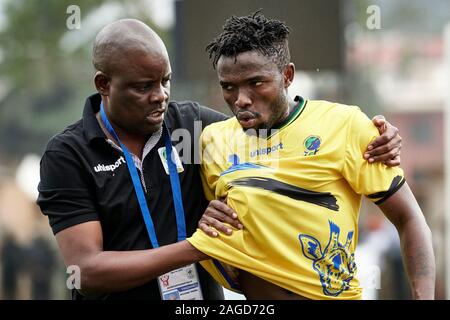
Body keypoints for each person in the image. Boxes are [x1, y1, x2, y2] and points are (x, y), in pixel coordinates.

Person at [36, 18, 402, 300]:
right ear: (103, 84)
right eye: (143, 87)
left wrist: (378, 137)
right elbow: (87, 271)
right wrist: (196, 246)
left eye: (165, 81)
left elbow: (280, 132)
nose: (160, 96)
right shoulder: (69, 154)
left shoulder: (195, 127)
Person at [186, 12, 436, 300]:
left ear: (287, 75)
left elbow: (409, 219)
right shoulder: (210, 140)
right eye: (228, 86)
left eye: (255, 82)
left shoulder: (344, 125)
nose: (241, 98)